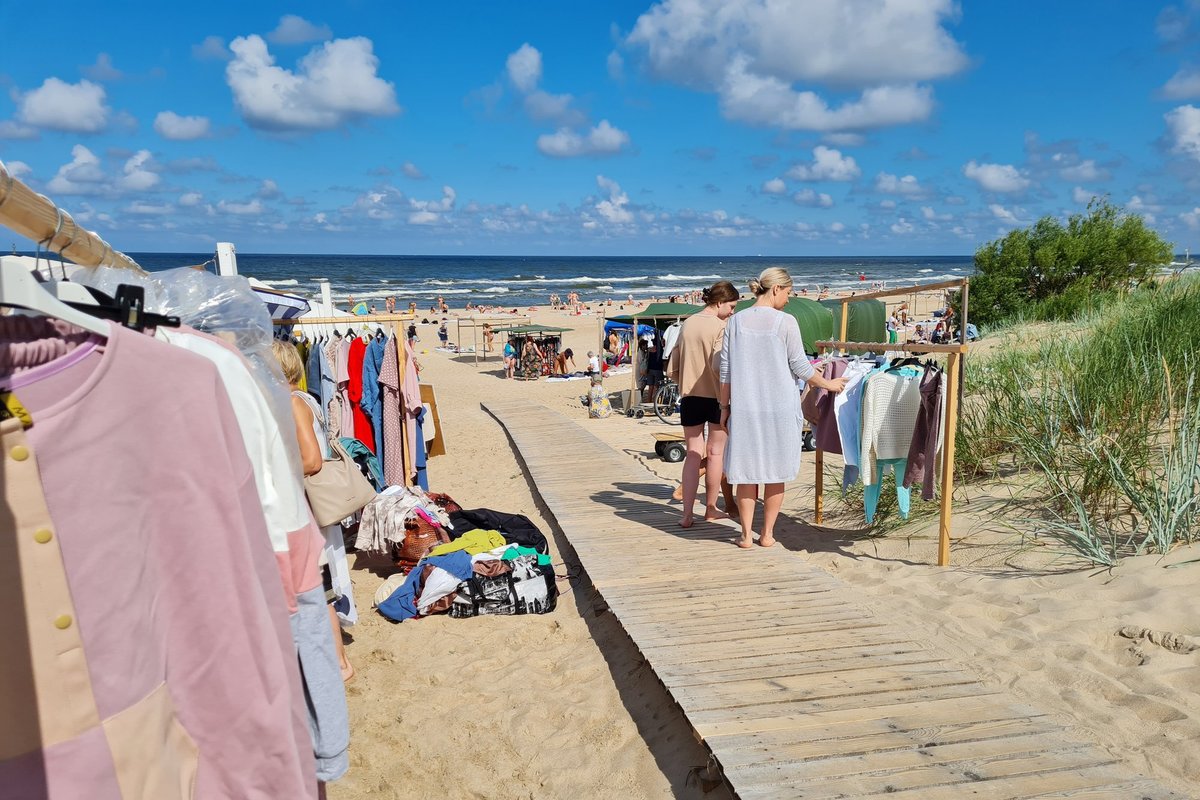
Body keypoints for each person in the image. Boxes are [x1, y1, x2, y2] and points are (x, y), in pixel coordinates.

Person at [720, 267, 847, 549]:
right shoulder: (786, 321)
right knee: (775, 474)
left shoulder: (735, 322)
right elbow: (801, 367)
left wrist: (724, 407)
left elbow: (725, 371)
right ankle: (766, 534)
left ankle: (744, 535)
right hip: (779, 408)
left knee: (746, 472)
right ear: (776, 289)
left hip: (745, 409)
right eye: (788, 292)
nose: (789, 299)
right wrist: (829, 384)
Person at [272, 340, 357, 682]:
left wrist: (274, 468)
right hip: (318, 502)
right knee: (322, 584)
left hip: (308, 501)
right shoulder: (306, 400)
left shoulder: (292, 403)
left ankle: (339, 664)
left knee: (318, 586)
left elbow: (311, 459)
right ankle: (338, 661)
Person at [669, 280, 740, 528]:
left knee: (692, 453)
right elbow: (721, 366)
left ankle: (687, 514)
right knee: (715, 453)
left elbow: (673, 365)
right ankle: (710, 509)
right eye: (731, 306)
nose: (732, 312)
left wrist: (684, 380)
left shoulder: (687, 324)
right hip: (716, 397)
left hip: (689, 395)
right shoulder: (722, 327)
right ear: (719, 302)